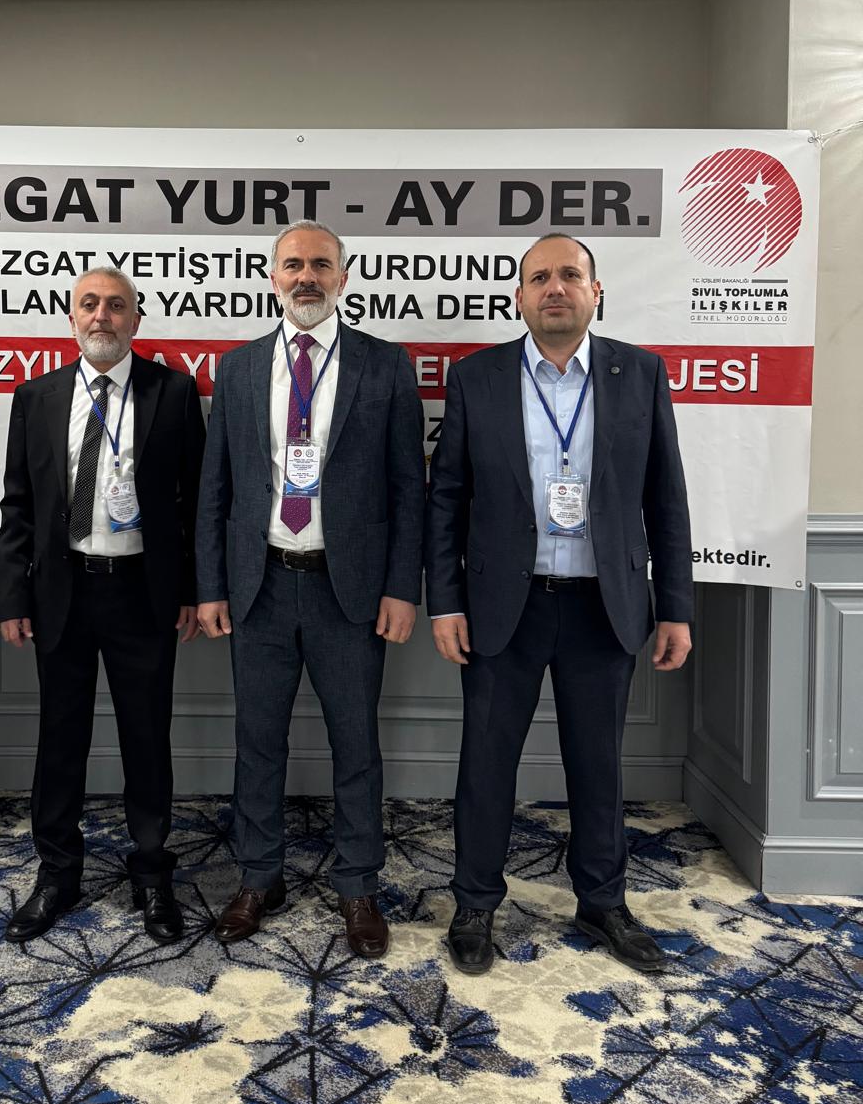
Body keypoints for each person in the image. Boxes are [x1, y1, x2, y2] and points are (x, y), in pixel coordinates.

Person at [425, 233, 693, 976]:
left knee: (598, 764)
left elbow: (666, 498)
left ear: (595, 291)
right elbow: (447, 498)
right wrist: (444, 602)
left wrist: (675, 606)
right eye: (539, 277)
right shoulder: (476, 377)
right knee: (486, 763)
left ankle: (603, 902)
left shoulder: (640, 372)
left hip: (603, 608)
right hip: (502, 608)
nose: (554, 288)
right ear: (518, 296)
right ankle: (475, 902)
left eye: (569, 275)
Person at [196, 221, 425, 958]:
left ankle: (358, 885)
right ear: (273, 278)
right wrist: (212, 586)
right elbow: (215, 488)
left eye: (321, 265)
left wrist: (402, 588)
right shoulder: (237, 368)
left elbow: (409, 488)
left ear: (343, 278)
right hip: (260, 585)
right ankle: (258, 878)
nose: (306, 277)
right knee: (256, 744)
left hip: (347, 593)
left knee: (355, 745)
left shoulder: (385, 366)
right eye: (293, 264)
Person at [0, 266, 205, 944]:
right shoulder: (36, 397)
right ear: (72, 319)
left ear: (136, 320)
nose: (102, 317)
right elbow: (18, 504)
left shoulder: (174, 393)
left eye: (116, 306)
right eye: (90, 305)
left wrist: (190, 590)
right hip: (62, 592)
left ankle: (152, 874)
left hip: (143, 592)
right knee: (60, 740)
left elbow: (194, 501)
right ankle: (57, 874)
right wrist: (12, 594)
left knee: (147, 738)